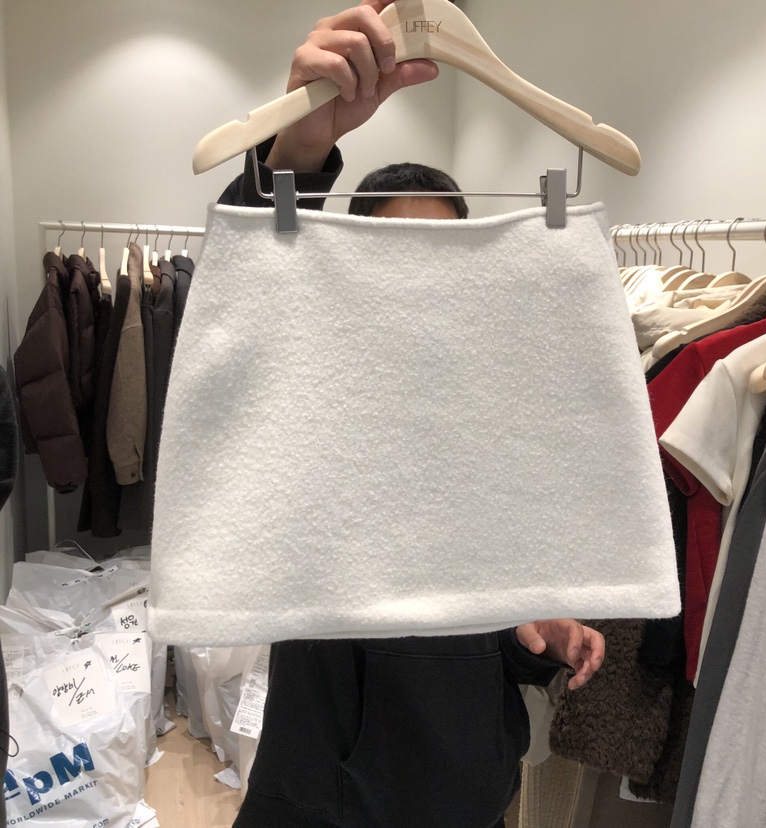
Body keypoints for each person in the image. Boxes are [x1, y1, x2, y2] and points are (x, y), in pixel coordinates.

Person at [220, 4, 606, 826]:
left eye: (447, 255)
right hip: (321, 795)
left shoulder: (499, 421)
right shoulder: (310, 385)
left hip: (468, 791)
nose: (425, 278)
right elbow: (241, 311)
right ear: (354, 259)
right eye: (398, 252)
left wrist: (538, 630)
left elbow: (491, 619)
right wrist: (297, 153)